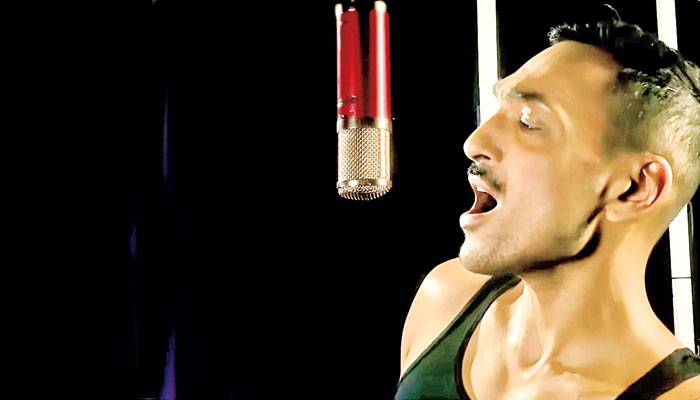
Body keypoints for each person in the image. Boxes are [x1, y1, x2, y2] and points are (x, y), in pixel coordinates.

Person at [395, 17, 700, 400]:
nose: (475, 143)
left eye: (528, 121)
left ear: (634, 188)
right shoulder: (444, 298)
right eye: (498, 109)